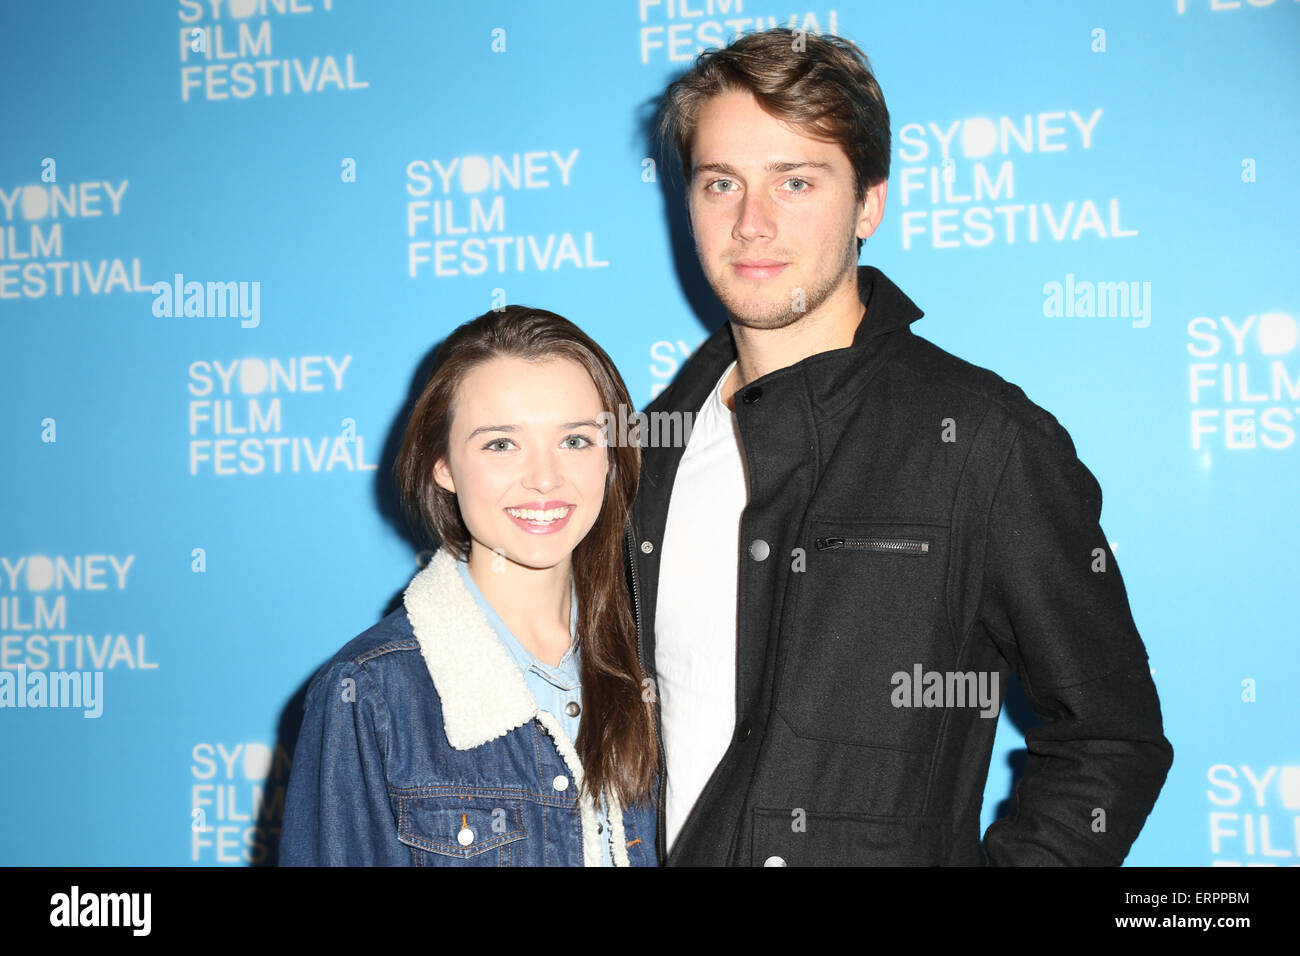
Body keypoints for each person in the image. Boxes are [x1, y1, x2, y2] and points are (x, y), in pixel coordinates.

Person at [626, 27, 1173, 866]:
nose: (752, 222)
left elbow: (1112, 738)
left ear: (869, 203)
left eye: (796, 181)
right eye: (720, 183)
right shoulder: (643, 452)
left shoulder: (984, 444)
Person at [282, 305, 658, 866]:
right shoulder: (369, 695)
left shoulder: (657, 659)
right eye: (501, 444)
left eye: (575, 440)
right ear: (444, 467)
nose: (545, 478)